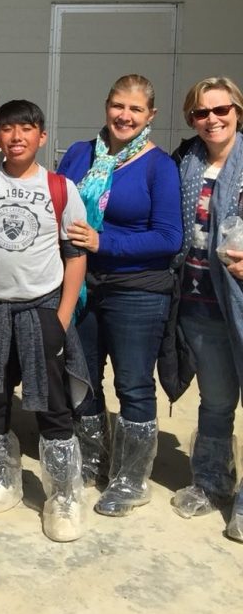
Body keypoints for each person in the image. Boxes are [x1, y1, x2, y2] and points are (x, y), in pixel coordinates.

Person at [0, 99, 90, 542]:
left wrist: (61, 319)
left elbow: (75, 256)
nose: (16, 137)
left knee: (53, 406)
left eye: (27, 129)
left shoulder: (61, 187)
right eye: (8, 129)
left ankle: (63, 496)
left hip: (41, 310)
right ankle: (1, 482)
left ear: (42, 137)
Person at [57, 74, 182, 517]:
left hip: (138, 290)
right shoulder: (79, 154)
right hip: (83, 286)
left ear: (149, 116)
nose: (124, 116)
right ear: (106, 106)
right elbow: (52, 202)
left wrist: (102, 242)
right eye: (117, 106)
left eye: (134, 109)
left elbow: (169, 238)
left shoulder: (157, 166)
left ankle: (131, 478)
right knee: (84, 375)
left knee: (132, 383)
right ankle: (92, 460)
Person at [170, 77, 243, 539]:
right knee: (216, 402)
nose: (212, 119)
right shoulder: (186, 162)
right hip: (201, 304)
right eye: (201, 113)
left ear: (238, 110)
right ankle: (212, 481)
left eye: (221, 110)